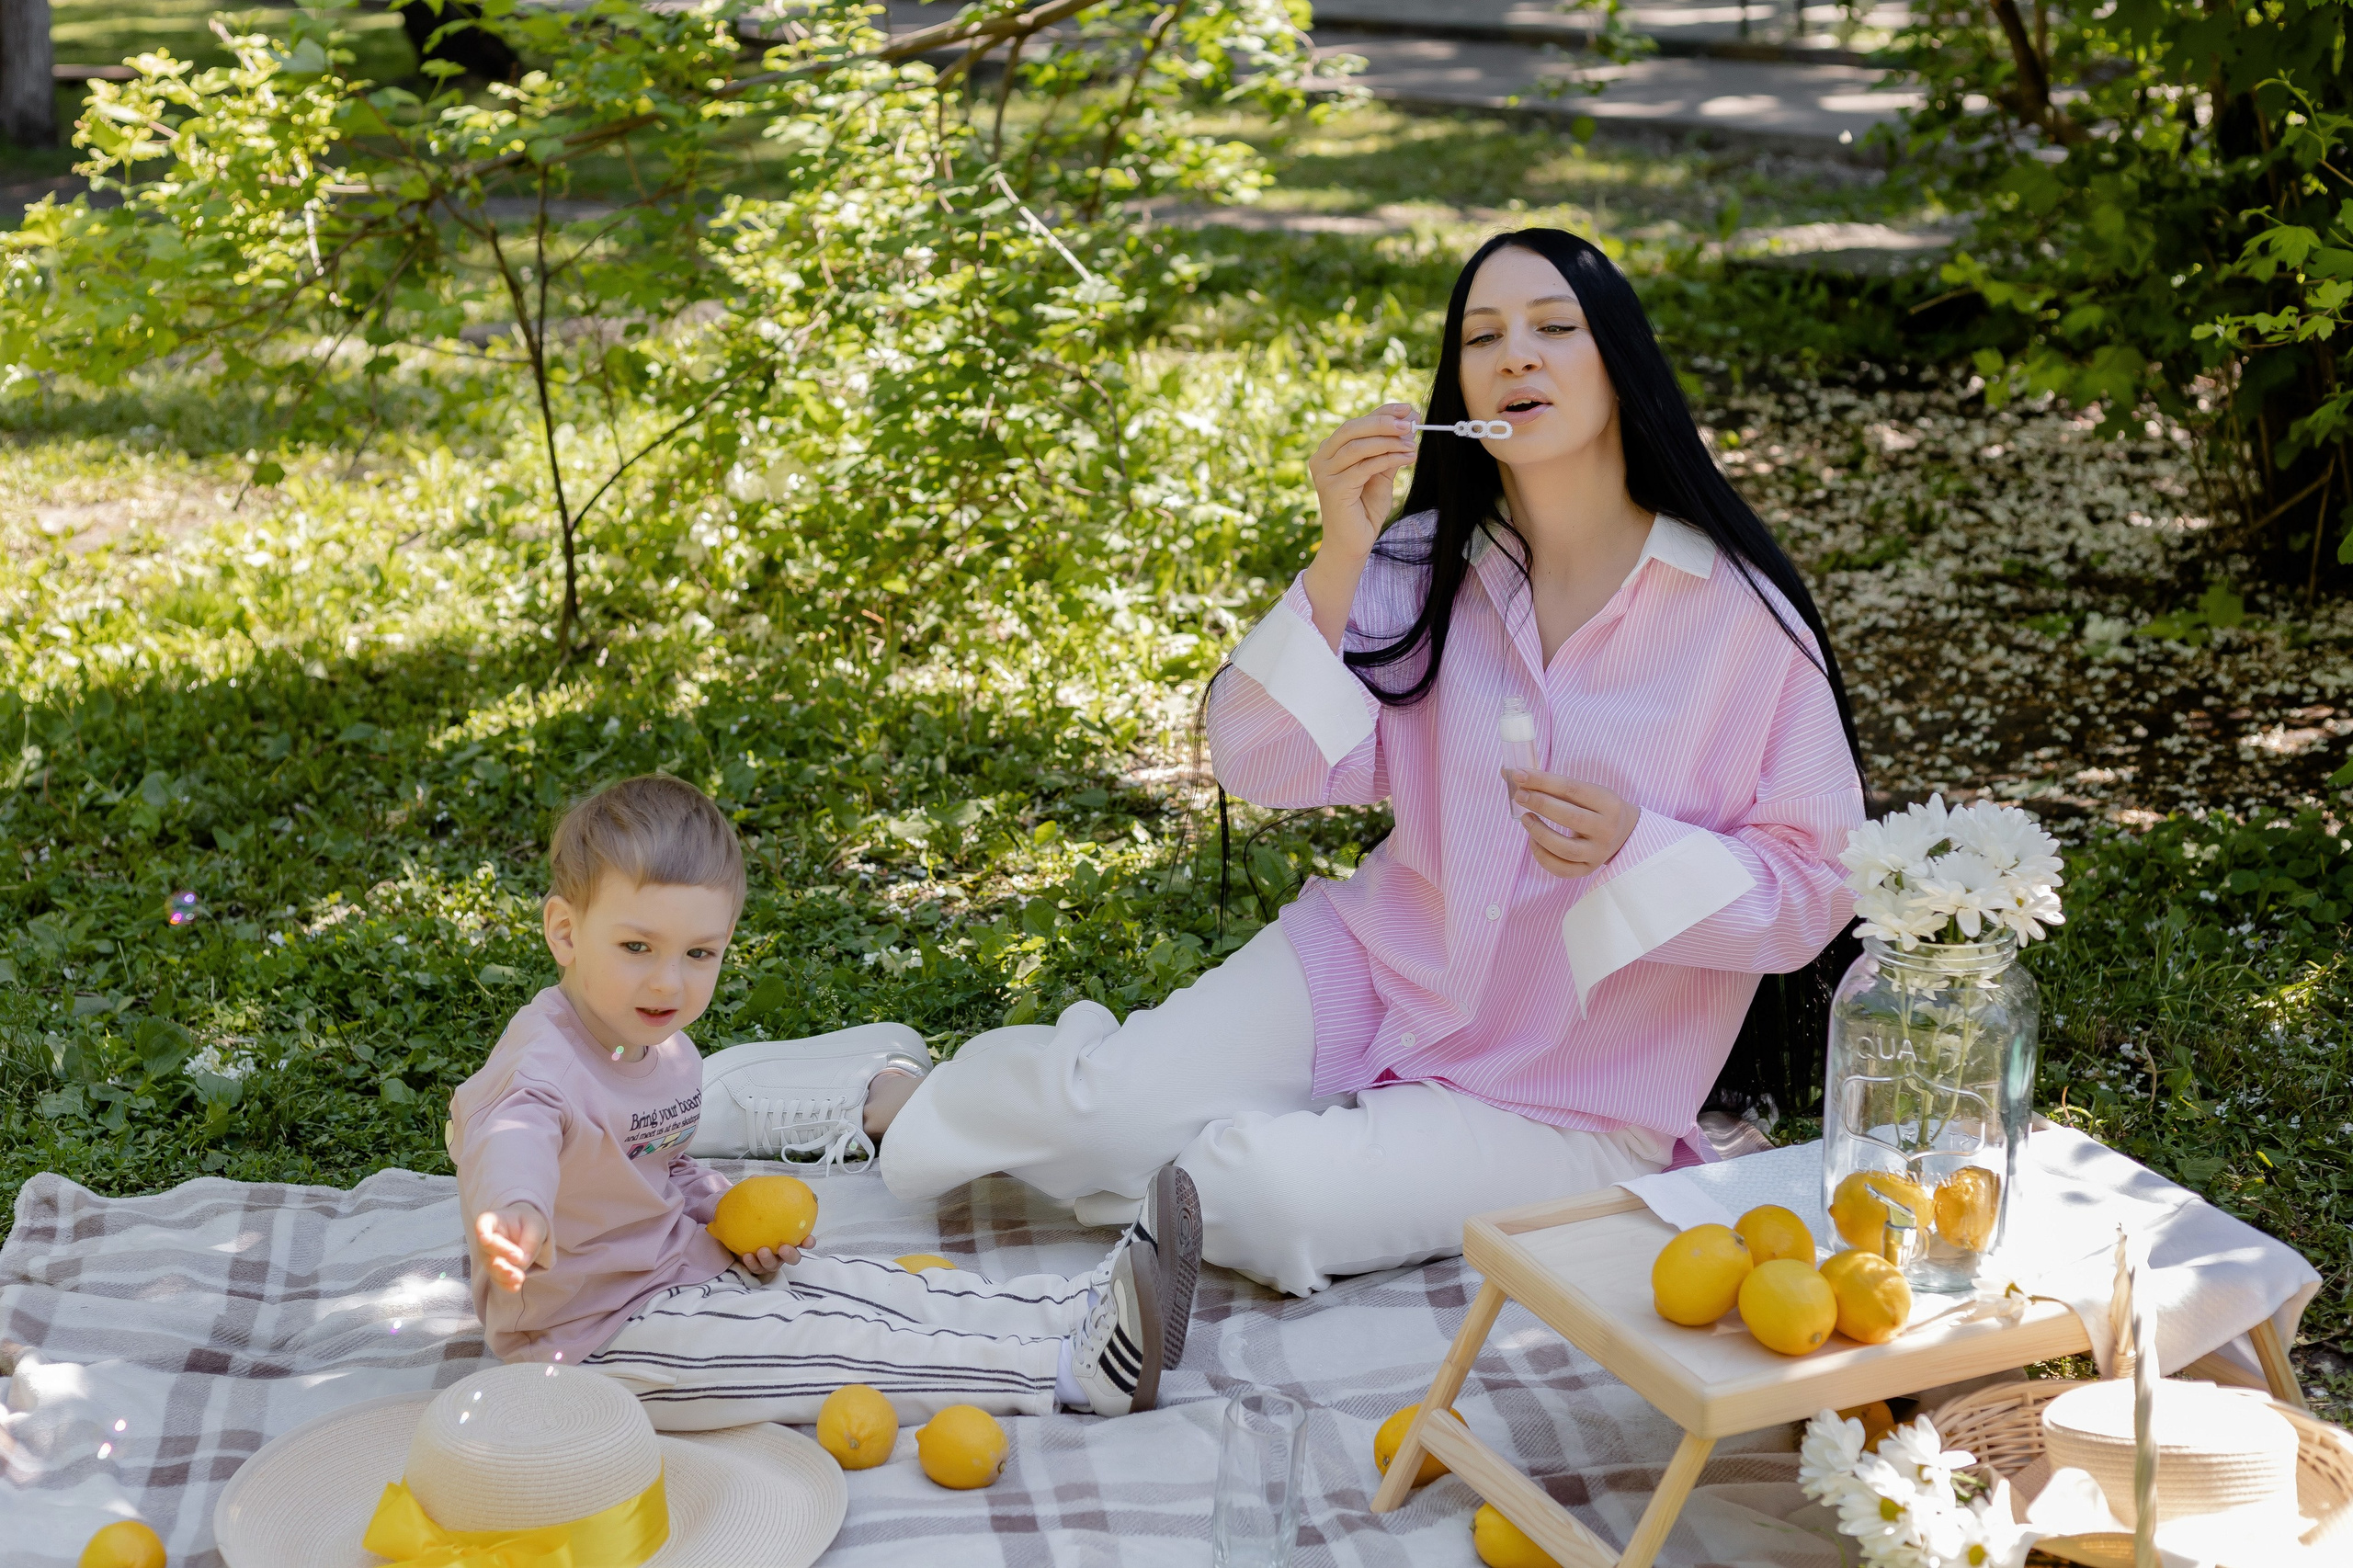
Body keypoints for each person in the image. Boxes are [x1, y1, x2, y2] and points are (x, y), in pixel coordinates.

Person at [695, 228, 1866, 1297]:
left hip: (1568, 1091)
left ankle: (1188, 1160)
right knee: (1105, 1117)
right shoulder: (1419, 562)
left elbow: (1815, 884)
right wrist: (1341, 550)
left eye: (1555, 326)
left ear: (1620, 364)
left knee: (1254, 1196)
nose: (1518, 356)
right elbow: (1259, 760)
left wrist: (1638, 854)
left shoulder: (1739, 617)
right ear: (1455, 385)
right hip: (1377, 960)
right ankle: (892, 1099)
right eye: (1482, 336)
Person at [448, 774, 1201, 1428]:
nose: (669, 984)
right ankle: (1070, 1371)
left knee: (856, 1286)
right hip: (592, 1338)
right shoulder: (541, 1062)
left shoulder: (665, 1050)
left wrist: (721, 1210)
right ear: (565, 932)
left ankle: (1073, 1305)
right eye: (636, 948)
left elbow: (654, 1167)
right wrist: (517, 1211)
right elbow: (511, 1131)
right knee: (827, 1351)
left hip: (680, 1265)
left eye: (699, 954)